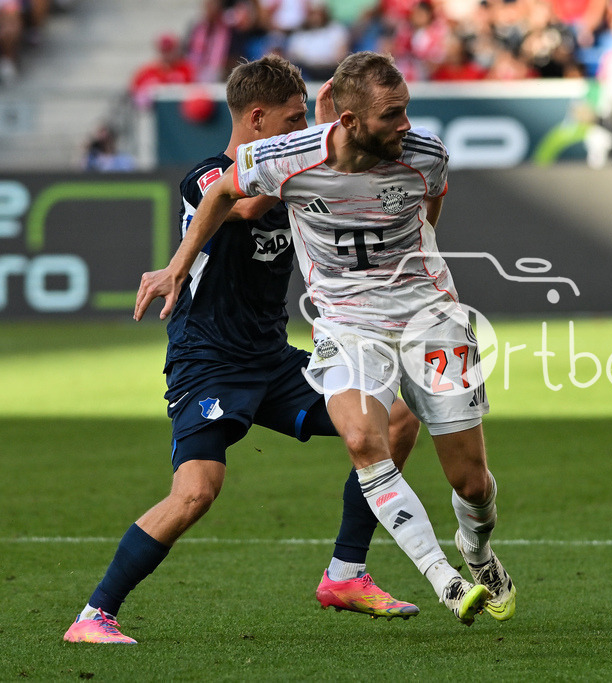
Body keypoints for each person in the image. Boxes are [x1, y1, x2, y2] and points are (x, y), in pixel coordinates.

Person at [133, 51, 516, 626]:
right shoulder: (276, 160)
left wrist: (416, 251)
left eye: (407, 111)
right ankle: (440, 578)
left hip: (429, 318)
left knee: (471, 481)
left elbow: (431, 200)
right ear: (352, 120)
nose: (406, 125)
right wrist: (176, 266)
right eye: (393, 114)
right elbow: (228, 196)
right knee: (362, 439)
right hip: (334, 325)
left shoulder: (426, 155)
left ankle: (476, 550)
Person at [64, 54, 422, 645]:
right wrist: (326, 138)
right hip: (207, 362)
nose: (302, 131)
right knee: (197, 491)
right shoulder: (205, 176)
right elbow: (248, 200)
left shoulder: (298, 166)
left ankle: (345, 573)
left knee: (398, 416)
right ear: (256, 119)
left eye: (307, 119)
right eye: (292, 121)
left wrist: (346, 134)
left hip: (273, 361)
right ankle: (93, 616)